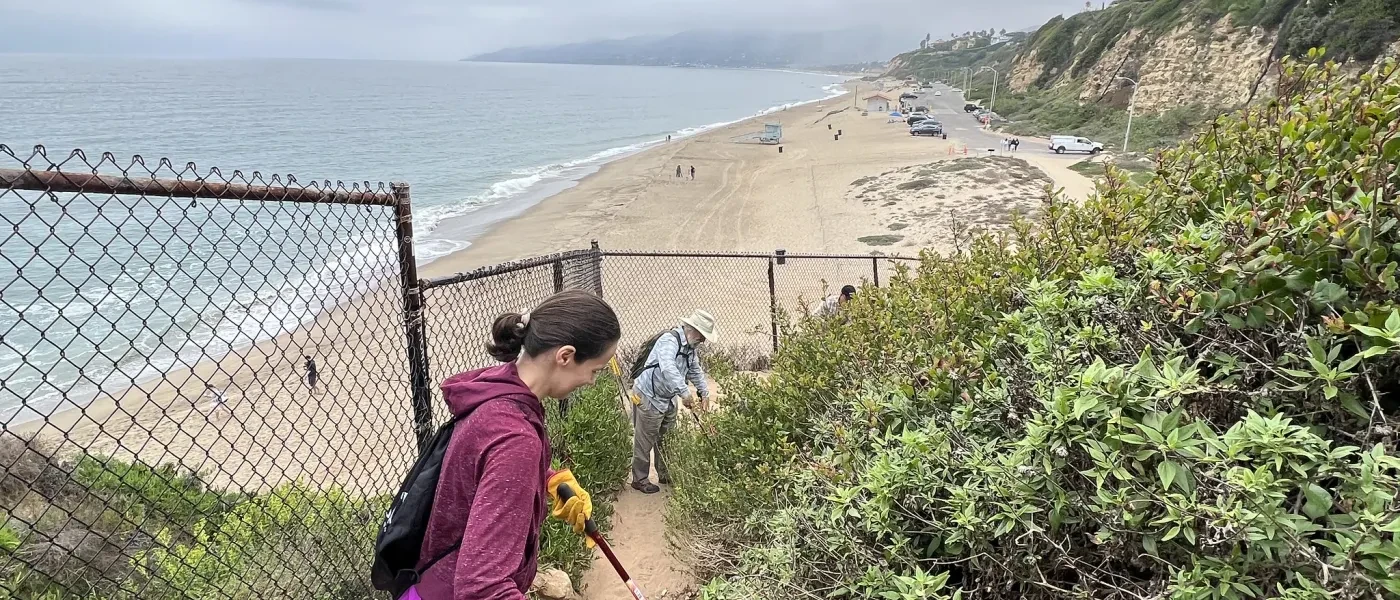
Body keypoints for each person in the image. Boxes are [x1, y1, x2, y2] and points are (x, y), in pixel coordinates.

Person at [409, 290, 621, 600]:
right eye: (594, 370)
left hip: (428, 584)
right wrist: (524, 466)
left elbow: (484, 467)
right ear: (565, 356)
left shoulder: (498, 391)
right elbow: (483, 588)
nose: (591, 381)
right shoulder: (516, 439)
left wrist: (546, 478)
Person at [630, 309, 715, 494]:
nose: (703, 340)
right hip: (649, 396)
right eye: (702, 335)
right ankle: (640, 479)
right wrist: (685, 393)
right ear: (692, 329)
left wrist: (704, 392)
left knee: (667, 437)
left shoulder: (690, 349)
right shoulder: (669, 341)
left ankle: (665, 473)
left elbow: (695, 370)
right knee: (645, 439)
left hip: (668, 397)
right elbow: (668, 367)